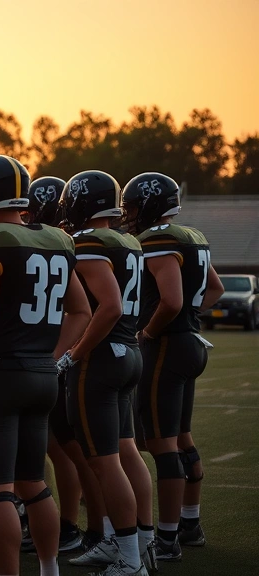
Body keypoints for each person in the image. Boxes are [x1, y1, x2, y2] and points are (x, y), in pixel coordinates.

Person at [0, 155, 91, 576]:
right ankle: (49, 568)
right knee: (34, 482)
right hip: (41, 374)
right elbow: (81, 311)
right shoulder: (56, 239)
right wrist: (52, 358)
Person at [56, 170, 155, 575]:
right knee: (126, 451)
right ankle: (140, 543)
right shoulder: (128, 241)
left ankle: (130, 559)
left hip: (101, 358)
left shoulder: (89, 243)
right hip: (129, 351)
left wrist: (76, 352)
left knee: (106, 461)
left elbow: (109, 306)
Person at [122, 172, 224, 562]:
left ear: (148, 205)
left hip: (167, 346)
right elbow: (212, 288)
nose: (128, 215)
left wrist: (148, 331)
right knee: (180, 436)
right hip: (190, 343)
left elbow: (170, 300)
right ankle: (190, 521)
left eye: (132, 207)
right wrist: (188, 322)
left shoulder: (158, 240)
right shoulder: (191, 237)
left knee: (163, 443)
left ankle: (166, 538)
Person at [26, 175, 103, 555]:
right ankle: (75, 525)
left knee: (71, 449)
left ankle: (84, 527)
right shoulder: (63, 243)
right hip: (59, 353)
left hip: (61, 356)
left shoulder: (62, 245)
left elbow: (84, 309)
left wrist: (60, 354)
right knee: (62, 448)